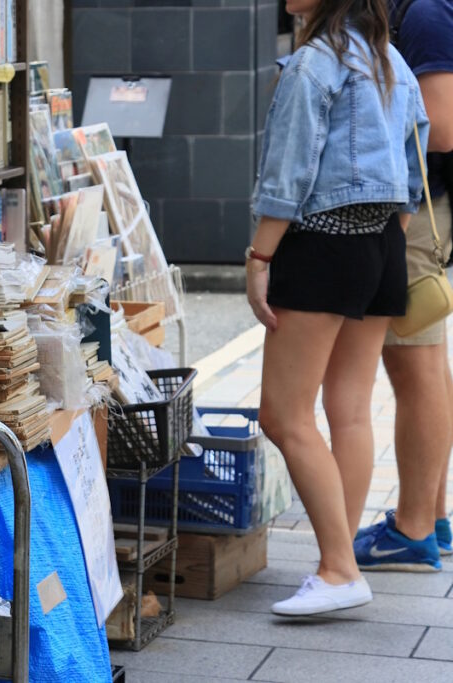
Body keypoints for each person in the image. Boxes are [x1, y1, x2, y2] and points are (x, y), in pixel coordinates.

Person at [247, 0, 429, 615]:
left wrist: (259, 258)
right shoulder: (391, 60)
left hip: (323, 242)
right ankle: (339, 558)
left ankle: (337, 569)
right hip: (382, 243)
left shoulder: (314, 63)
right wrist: (387, 233)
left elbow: (289, 171)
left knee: (283, 414)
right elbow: (415, 157)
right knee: (349, 407)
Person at [354, 0, 453, 572]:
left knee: (414, 367)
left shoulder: (425, 14)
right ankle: (431, 518)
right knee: (428, 365)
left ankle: (414, 528)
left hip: (420, 208)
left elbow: (438, 125)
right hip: (423, 205)